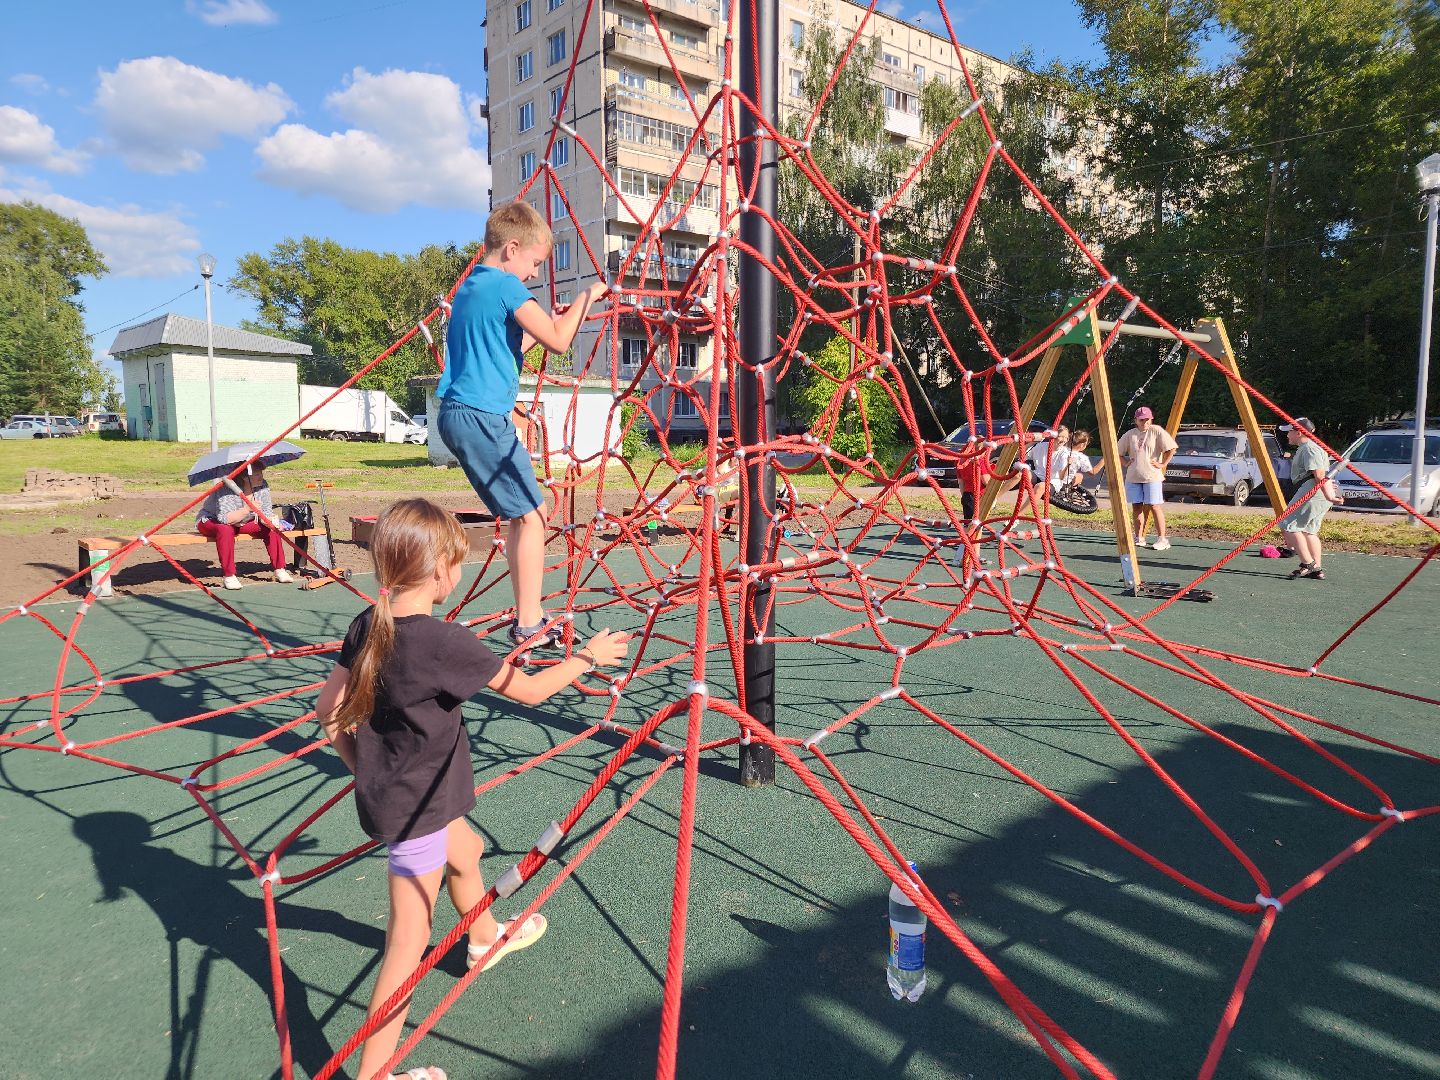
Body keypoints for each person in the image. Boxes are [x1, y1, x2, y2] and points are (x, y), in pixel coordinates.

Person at [316, 498, 629, 1080]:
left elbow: (327, 708)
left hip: (404, 798)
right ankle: (373, 1074)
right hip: (416, 810)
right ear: (440, 572)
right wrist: (588, 657)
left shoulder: (369, 624)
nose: (459, 574)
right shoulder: (442, 641)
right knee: (408, 944)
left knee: (469, 851)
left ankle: (483, 938)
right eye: (457, 563)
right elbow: (531, 691)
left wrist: (362, 766)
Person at [436, 201, 607, 648]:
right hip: (481, 416)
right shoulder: (506, 286)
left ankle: (527, 612)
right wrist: (588, 297)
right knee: (533, 518)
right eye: (533, 262)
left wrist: (553, 320)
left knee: (527, 514)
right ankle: (529, 622)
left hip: (460, 414)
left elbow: (515, 347)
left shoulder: (473, 287)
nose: (532, 273)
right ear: (512, 248)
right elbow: (560, 341)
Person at [195, 465, 294, 590]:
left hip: (242, 522)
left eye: (261, 473)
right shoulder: (226, 487)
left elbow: (266, 512)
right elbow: (224, 519)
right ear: (245, 476)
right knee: (225, 529)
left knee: (271, 529)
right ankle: (229, 575)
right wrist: (247, 509)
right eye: (257, 474)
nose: (261, 477)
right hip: (212, 521)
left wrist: (270, 520)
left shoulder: (262, 486)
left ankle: (280, 569)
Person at [1276, 417, 1342, 580]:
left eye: (1289, 432)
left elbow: (1319, 475)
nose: (1287, 435)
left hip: (1313, 490)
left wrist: (1330, 496)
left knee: (1289, 524)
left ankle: (1308, 563)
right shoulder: (1310, 448)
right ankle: (1316, 569)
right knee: (1309, 530)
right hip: (1317, 490)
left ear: (1298, 432)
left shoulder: (1309, 449)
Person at [1116, 406, 1178, 551]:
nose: (1144, 422)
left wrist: (1163, 464)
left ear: (1151, 419)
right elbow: (1117, 451)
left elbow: (1171, 448)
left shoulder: (1156, 430)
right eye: (1141, 419)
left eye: (1147, 419)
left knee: (1154, 506)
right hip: (1133, 476)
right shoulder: (1130, 434)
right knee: (1136, 506)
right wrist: (1125, 462)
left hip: (1152, 476)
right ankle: (1139, 536)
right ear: (1136, 420)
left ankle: (1162, 538)